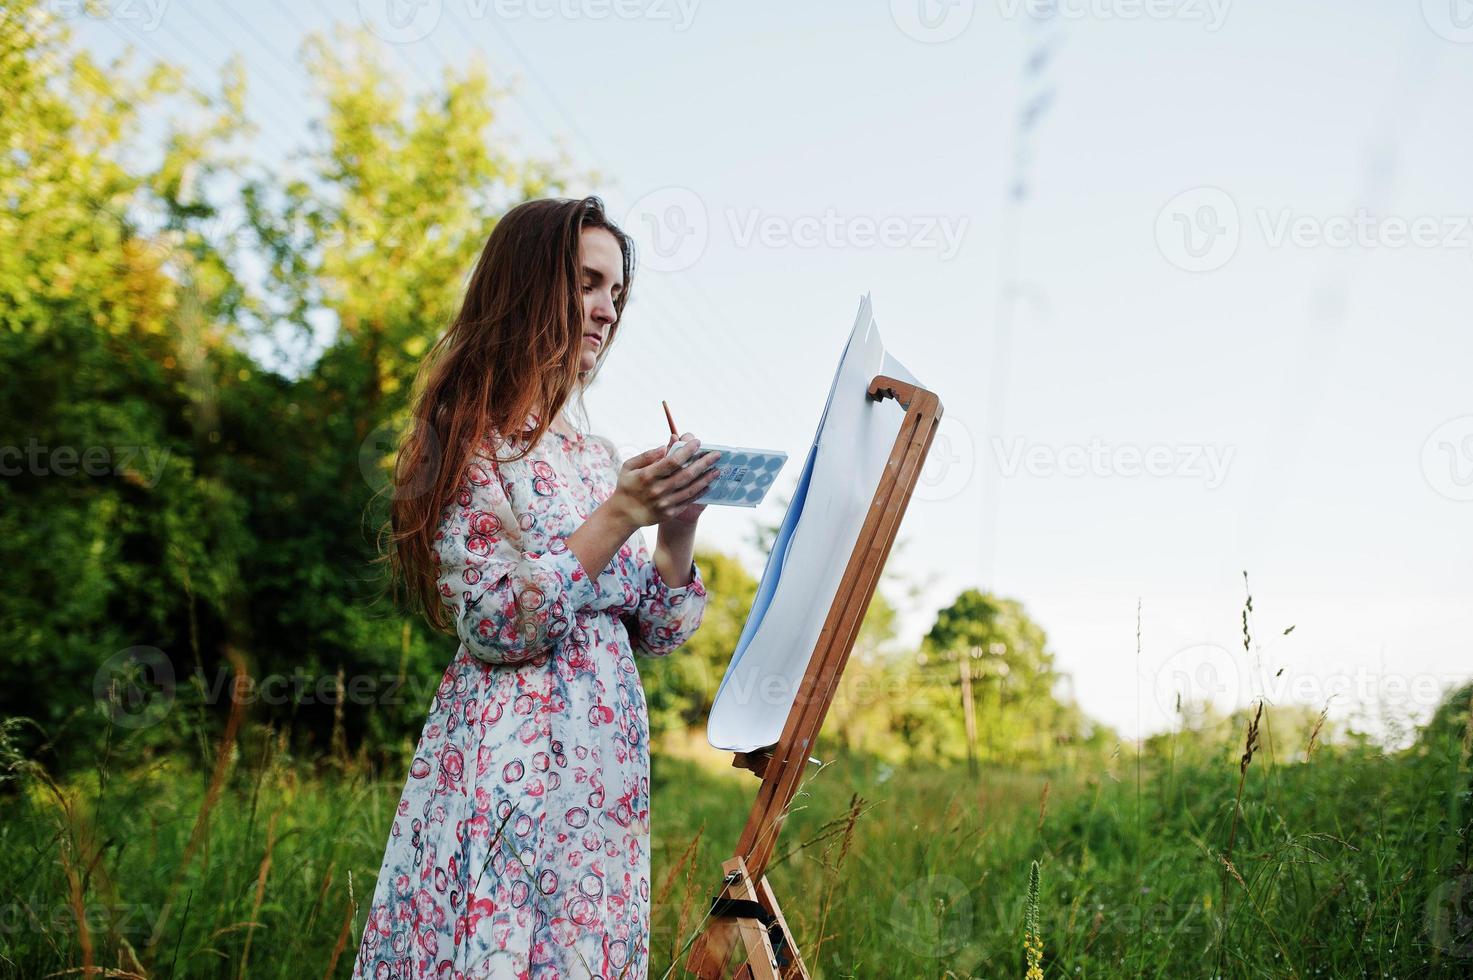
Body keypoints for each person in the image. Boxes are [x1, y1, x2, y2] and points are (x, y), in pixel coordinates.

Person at [353, 196, 721, 978]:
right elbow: (494, 620)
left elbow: (656, 627)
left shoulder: (592, 455)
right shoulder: (464, 434)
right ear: (528, 287)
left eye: (616, 293)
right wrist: (622, 511)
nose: (606, 311)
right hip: (508, 769)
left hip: (600, 790)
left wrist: (675, 522)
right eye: (588, 283)